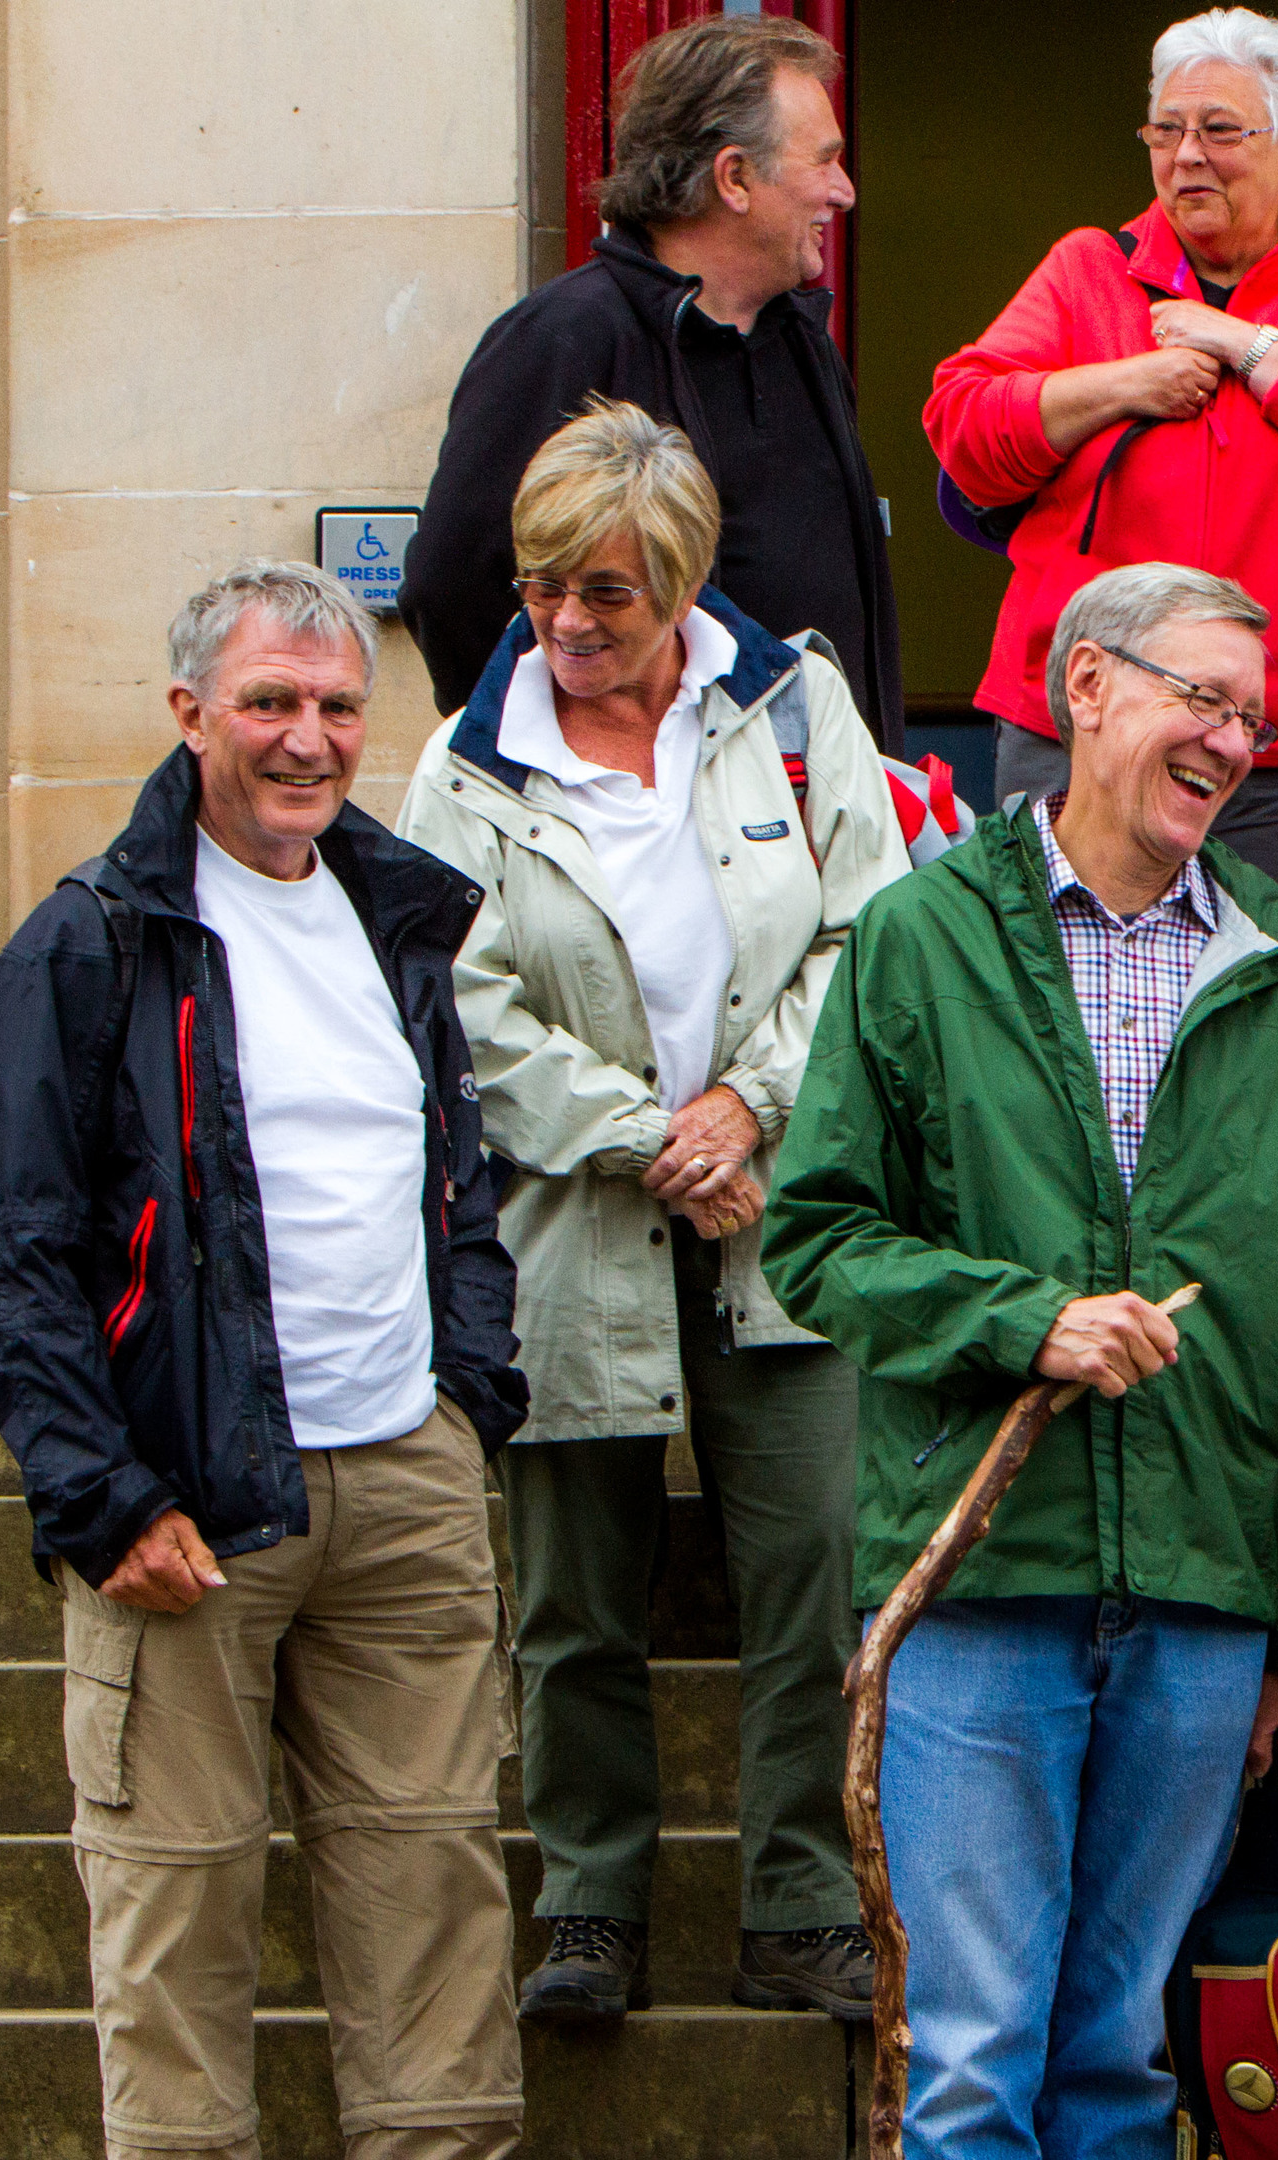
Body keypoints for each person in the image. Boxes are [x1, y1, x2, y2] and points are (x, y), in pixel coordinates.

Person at [762, 562, 1278, 2160]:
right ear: (1085, 688)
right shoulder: (919, 937)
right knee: (970, 2065)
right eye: (1200, 698)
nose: (1234, 740)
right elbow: (815, 1235)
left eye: (1254, 713)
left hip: (1199, 1590)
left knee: (1116, 2059)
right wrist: (1020, 1318)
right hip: (979, 1582)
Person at [0, 562, 531, 2160]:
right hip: (186, 1514)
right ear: (190, 714)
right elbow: (24, 1261)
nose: (307, 738)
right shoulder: (87, 942)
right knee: (176, 1925)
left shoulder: (398, 913)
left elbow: (454, 1190)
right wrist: (102, 1500)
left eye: (338, 705)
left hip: (403, 1485)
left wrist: (461, 1405)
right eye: (271, 703)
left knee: (437, 1913)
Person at [396, 401, 906, 2026]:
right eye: (544, 586)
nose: (567, 623)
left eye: (608, 593)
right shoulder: (468, 764)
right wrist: (650, 1138)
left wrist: (747, 1103)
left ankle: (802, 1903)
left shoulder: (792, 704)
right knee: (570, 1591)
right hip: (576, 1218)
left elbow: (868, 941)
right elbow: (457, 1005)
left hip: (783, 1205)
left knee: (812, 1564)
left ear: (680, 579)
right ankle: (592, 1905)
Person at [924, 7, 1278, 923]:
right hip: (1079, 729)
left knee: (1274, 1016)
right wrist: (1123, 383)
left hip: (1276, 752)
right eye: (1166, 131)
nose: (1187, 156)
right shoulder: (1088, 269)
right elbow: (964, 425)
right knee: (1054, 1008)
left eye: (1219, 130)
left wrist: (1251, 349)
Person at [402, 14, 903, 747]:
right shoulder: (564, 338)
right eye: (823, 160)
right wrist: (572, 768)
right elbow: (453, 588)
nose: (843, 190)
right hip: (637, 826)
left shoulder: (801, 340)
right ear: (734, 178)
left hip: (814, 818)